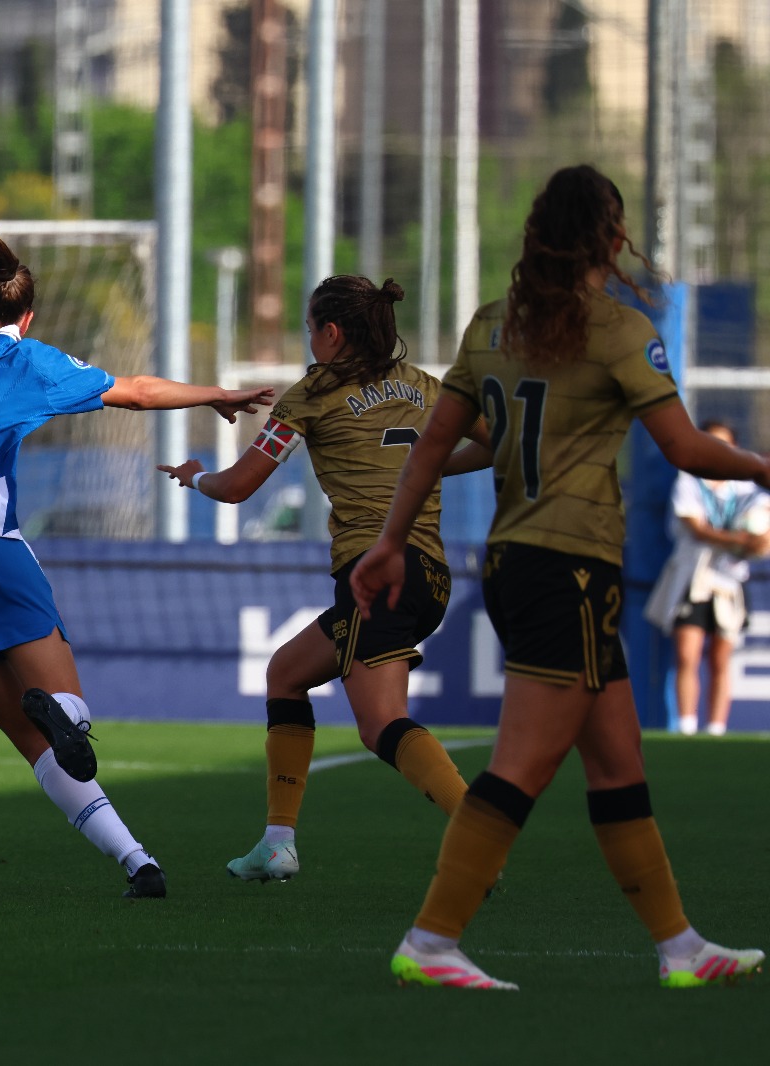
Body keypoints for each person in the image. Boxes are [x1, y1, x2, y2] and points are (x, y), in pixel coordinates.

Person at [352, 164, 766, 990]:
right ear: (611, 238)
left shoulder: (493, 324)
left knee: (619, 765)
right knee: (521, 767)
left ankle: (679, 946)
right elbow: (684, 449)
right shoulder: (617, 328)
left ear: (539, 231)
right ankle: (431, 939)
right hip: (570, 568)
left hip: (517, 561)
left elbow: (437, 443)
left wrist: (388, 539)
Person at [0, 201, 273, 897]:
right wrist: (215, 392)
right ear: (26, 319)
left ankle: (137, 862)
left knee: (31, 743)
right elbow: (138, 391)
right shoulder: (31, 362)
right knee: (65, 713)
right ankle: (72, 717)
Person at [159, 275, 491, 885]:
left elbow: (237, 489)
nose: (308, 338)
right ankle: (278, 842)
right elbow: (495, 443)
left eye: (310, 327)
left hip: (375, 571)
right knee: (286, 672)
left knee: (380, 723)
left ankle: (477, 833)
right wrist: (429, 466)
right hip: (431, 575)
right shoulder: (424, 386)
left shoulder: (312, 393)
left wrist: (194, 477)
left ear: (332, 333)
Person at [644, 420, 770, 736]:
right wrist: (739, 541)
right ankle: (685, 727)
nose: (719, 452)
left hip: (729, 582)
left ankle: (716, 729)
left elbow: (762, 538)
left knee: (720, 658)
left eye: (725, 445)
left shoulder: (747, 488)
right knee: (687, 654)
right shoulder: (689, 481)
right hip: (693, 578)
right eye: (711, 443)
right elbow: (695, 527)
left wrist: (755, 541)